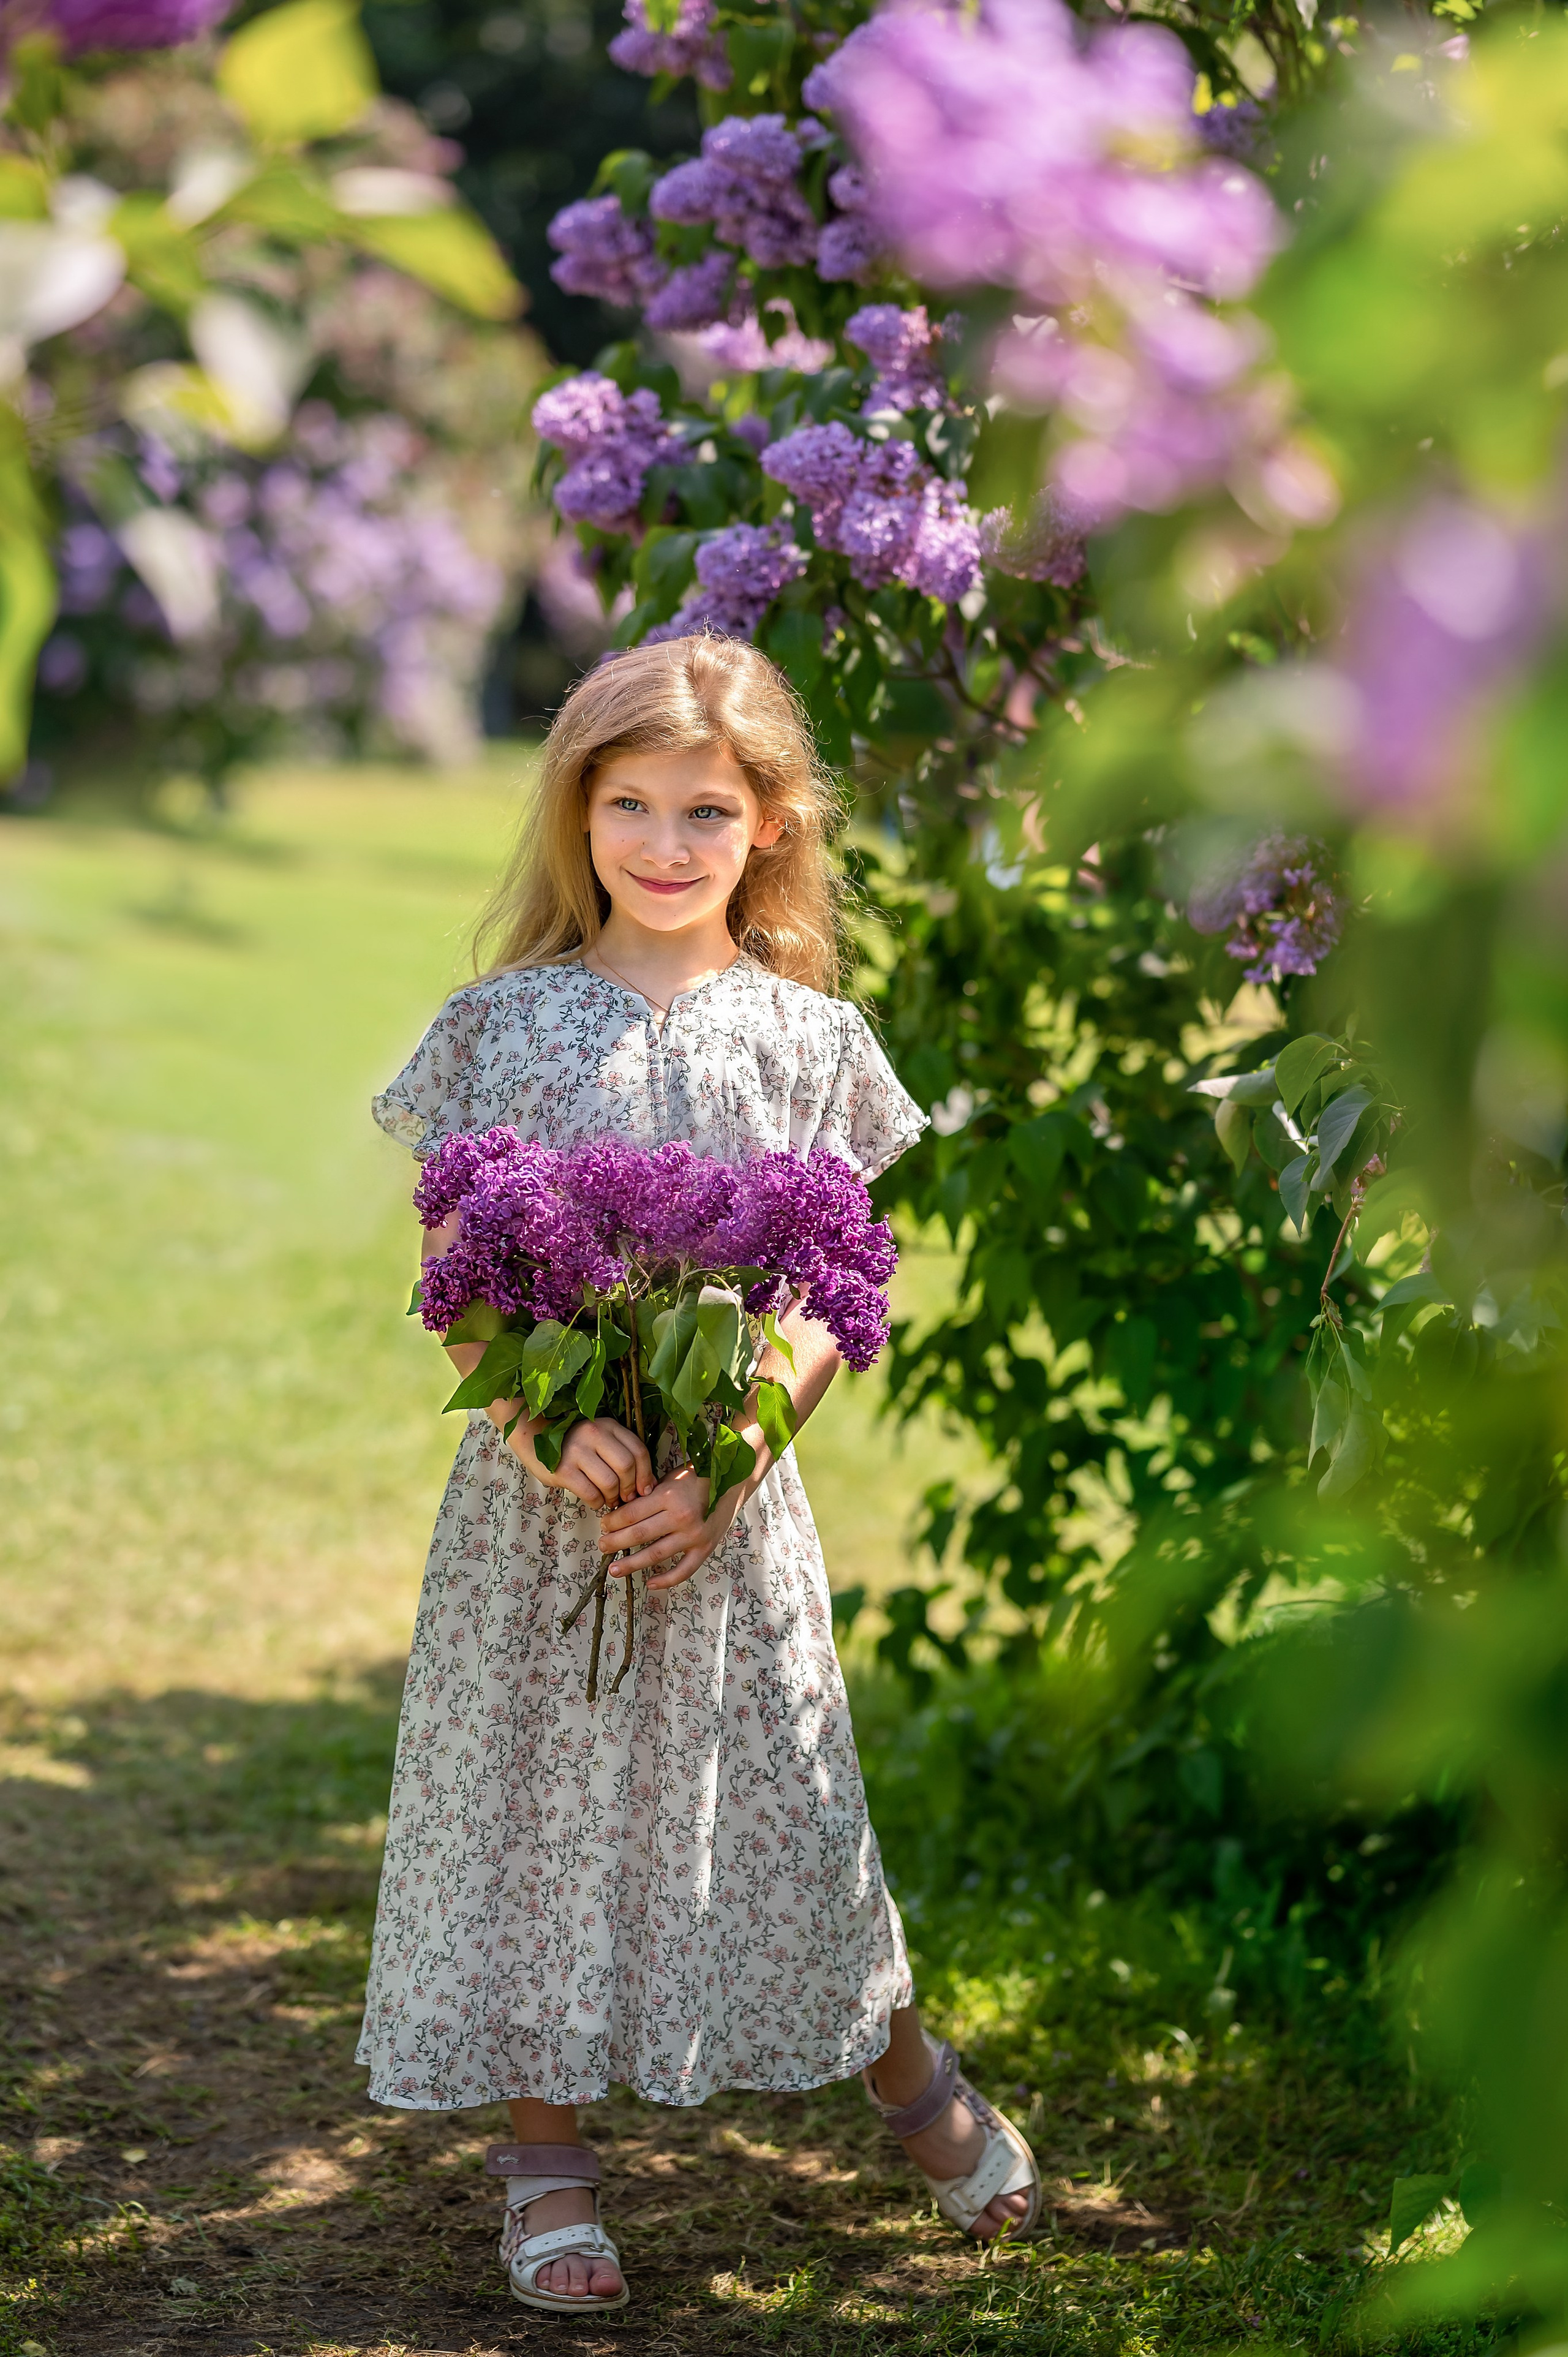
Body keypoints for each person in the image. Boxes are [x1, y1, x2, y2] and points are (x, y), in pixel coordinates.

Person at [360, 633, 1041, 2314]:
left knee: (796, 1808)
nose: (667, 845)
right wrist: (545, 1425)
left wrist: (730, 1458)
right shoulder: (496, 1027)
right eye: (633, 806)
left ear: (770, 829)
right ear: (578, 815)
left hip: (728, 1523)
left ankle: (911, 2082)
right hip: (546, 1528)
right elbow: (448, 1279)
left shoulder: (808, 1037)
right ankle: (546, 2170)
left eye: (707, 813)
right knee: (535, 1821)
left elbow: (830, 1297)